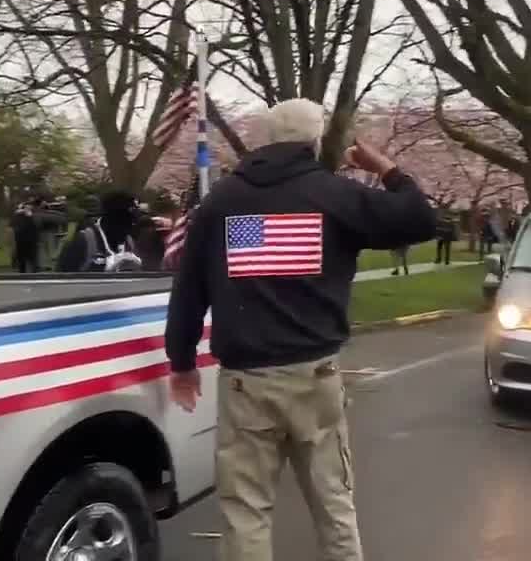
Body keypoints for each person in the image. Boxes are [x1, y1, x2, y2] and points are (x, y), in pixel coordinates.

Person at [164, 99, 437, 561]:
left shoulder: (223, 202)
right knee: (333, 502)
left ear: (265, 140)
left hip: (245, 381)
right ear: (313, 141)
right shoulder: (335, 196)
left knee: (246, 511)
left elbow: (189, 287)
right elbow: (420, 218)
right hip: (315, 377)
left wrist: (182, 362)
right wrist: (386, 169)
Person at [55, 191, 144, 272]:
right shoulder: (84, 240)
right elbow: (61, 278)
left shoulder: (129, 242)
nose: (130, 226)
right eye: (125, 220)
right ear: (112, 218)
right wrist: (104, 267)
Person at [10, 203, 40, 273]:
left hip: (27, 240)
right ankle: (25, 271)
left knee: (30, 258)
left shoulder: (32, 216)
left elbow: (36, 226)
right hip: (23, 240)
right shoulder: (20, 216)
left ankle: (30, 271)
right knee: (25, 258)